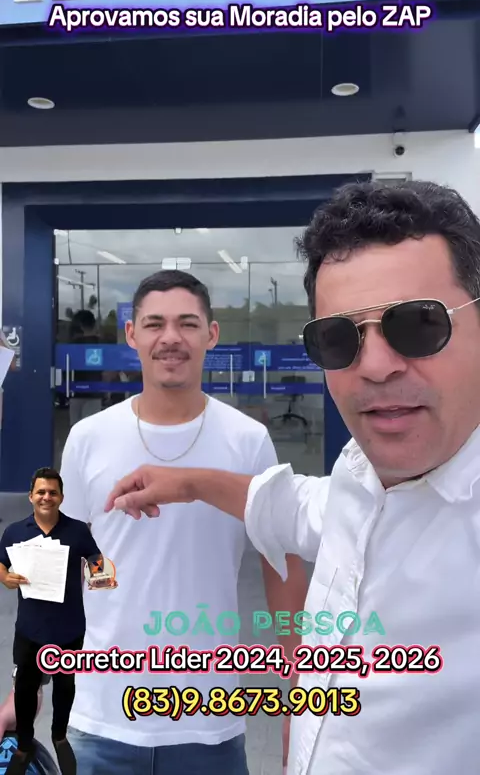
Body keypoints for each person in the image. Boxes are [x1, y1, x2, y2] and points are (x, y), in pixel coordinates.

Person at [106, 179, 480, 774]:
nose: (376, 365)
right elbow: (292, 507)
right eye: (339, 338)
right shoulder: (359, 478)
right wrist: (190, 483)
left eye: (417, 325)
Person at [59, 269, 308, 775]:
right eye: (154, 324)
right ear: (132, 335)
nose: (170, 337)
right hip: (101, 719)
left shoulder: (247, 440)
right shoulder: (88, 438)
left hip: (208, 721)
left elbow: (280, 565)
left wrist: (300, 691)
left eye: (187, 324)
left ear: (211, 335)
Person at [0, 467, 103, 775]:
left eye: (53, 492)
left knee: (64, 686)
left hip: (68, 628)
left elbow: (96, 561)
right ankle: (24, 744)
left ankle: (59, 735)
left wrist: (99, 574)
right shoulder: (15, 532)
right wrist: (5, 577)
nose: (47, 497)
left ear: (61, 497)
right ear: (31, 496)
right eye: (41, 492)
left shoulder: (78, 531)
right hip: (29, 628)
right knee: (26, 688)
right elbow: (1, 563)